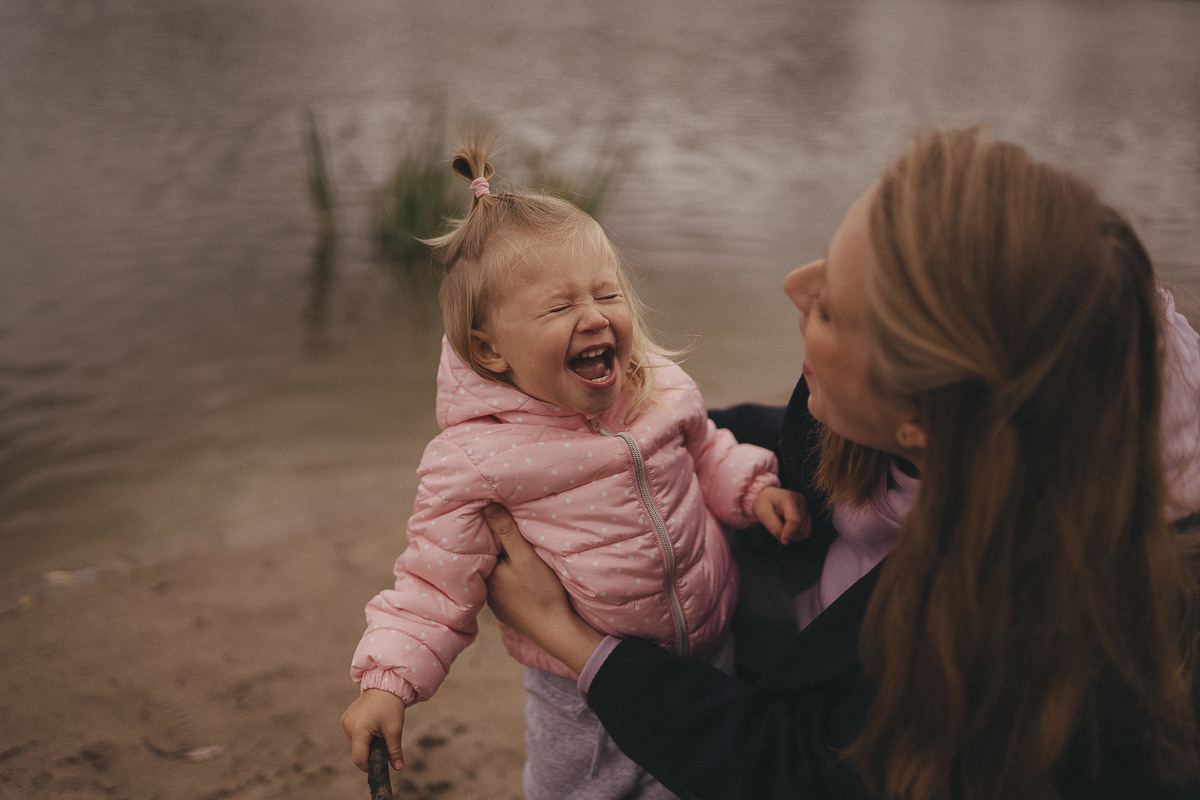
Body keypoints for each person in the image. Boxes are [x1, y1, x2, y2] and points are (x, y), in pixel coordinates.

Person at [483, 127, 1200, 800]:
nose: (795, 285)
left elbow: (792, 765)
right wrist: (635, 446)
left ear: (919, 420)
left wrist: (571, 638)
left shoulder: (1029, 660)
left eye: (829, 310)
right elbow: (775, 445)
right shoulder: (1023, 386)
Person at [340, 127, 806, 800]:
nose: (593, 318)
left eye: (606, 295)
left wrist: (753, 489)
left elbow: (706, 450)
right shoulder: (477, 461)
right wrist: (387, 684)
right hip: (581, 699)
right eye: (559, 307)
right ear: (490, 349)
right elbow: (432, 585)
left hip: (710, 651)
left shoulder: (658, 387)